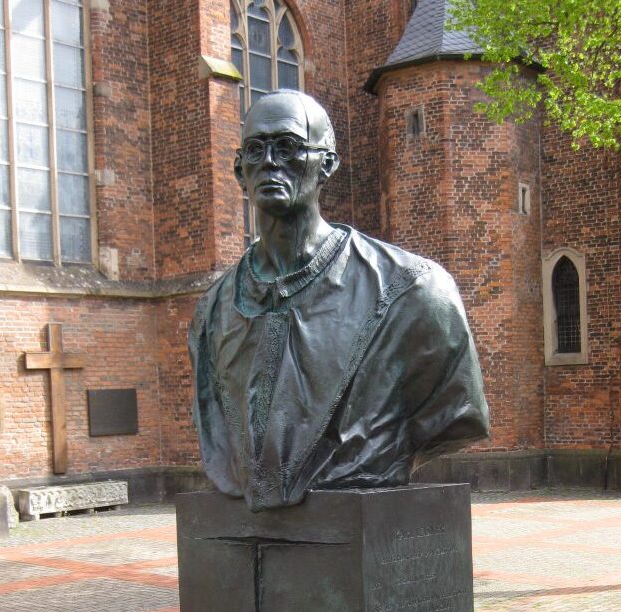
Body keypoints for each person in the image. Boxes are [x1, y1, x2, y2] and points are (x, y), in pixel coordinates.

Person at [189, 89, 489, 512]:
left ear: (326, 164)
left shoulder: (414, 292)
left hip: (363, 493)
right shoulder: (211, 313)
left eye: (289, 147)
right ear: (240, 170)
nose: (270, 161)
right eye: (256, 149)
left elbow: (454, 415)